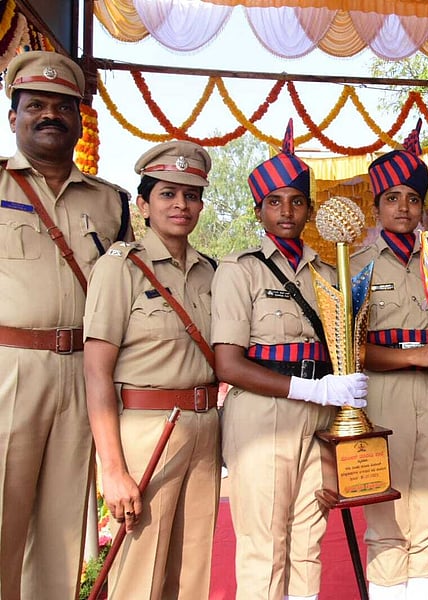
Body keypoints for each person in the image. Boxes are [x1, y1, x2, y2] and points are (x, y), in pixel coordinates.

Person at [211, 121, 367, 600]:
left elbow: (339, 347)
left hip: (319, 417)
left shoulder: (328, 272)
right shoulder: (240, 271)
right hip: (263, 417)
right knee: (265, 547)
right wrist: (310, 389)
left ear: (310, 210)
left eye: (296, 201)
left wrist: (341, 389)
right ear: (259, 210)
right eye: (275, 201)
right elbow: (228, 365)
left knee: (308, 542)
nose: (286, 211)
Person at [0, 50, 131, 599]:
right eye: (36, 105)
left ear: (79, 119)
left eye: (62, 106)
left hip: (83, 375)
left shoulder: (112, 202)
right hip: (10, 370)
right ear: (14, 116)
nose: (50, 115)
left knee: (61, 532)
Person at [83, 141, 219, 599]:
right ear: (143, 205)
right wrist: (112, 469)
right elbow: (96, 372)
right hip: (146, 431)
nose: (181, 205)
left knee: (192, 571)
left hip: (205, 428)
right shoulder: (119, 269)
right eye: (167, 194)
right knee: (139, 574)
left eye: (191, 195)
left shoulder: (211, 273)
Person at [353, 142, 428, 600]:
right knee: (387, 511)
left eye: (413, 199)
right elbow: (347, 350)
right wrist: (413, 356)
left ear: (423, 207)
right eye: (392, 198)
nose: (403, 208)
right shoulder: (355, 266)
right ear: (376, 206)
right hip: (384, 395)